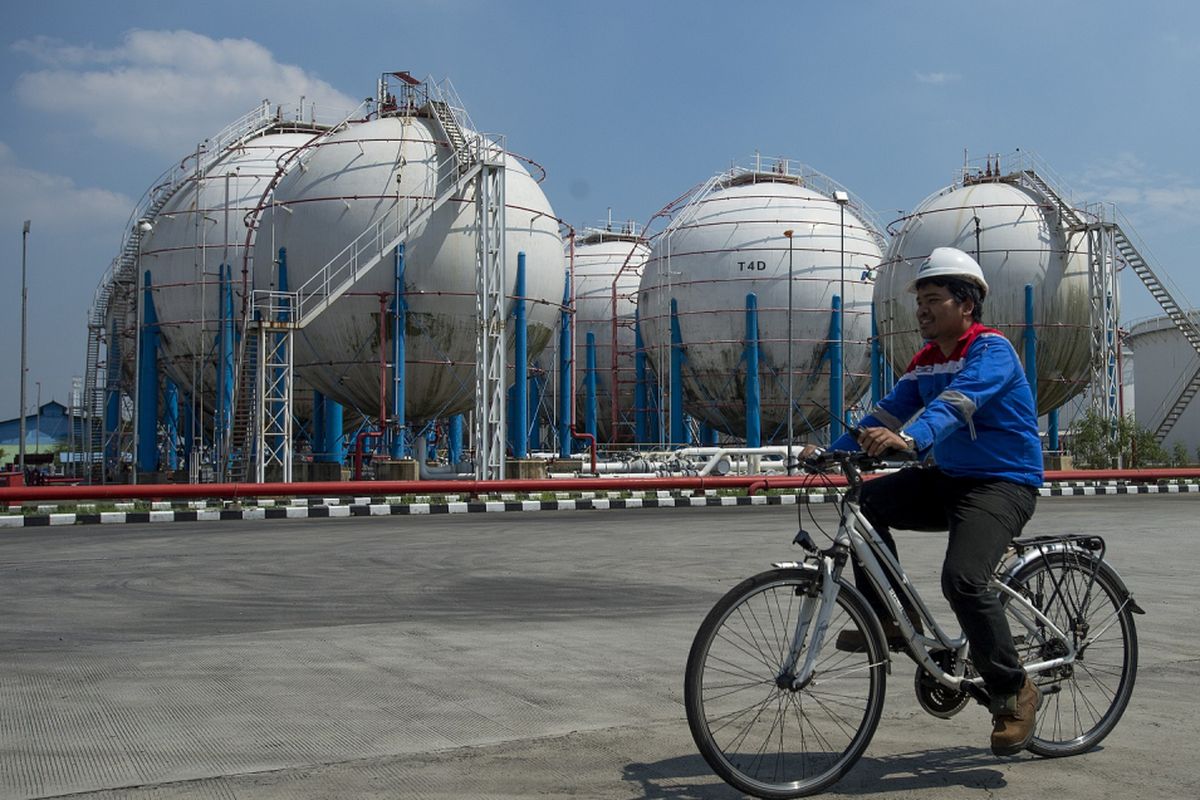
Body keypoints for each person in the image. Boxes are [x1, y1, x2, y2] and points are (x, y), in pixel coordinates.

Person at [817, 246, 1043, 757]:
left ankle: (1013, 690)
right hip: (948, 476)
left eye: (934, 299)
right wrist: (831, 453)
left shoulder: (991, 351)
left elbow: (958, 401)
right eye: (919, 300)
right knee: (866, 504)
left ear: (967, 304)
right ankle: (890, 620)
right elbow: (888, 413)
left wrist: (914, 440)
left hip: (1003, 481)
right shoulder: (925, 361)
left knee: (963, 579)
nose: (922, 309)